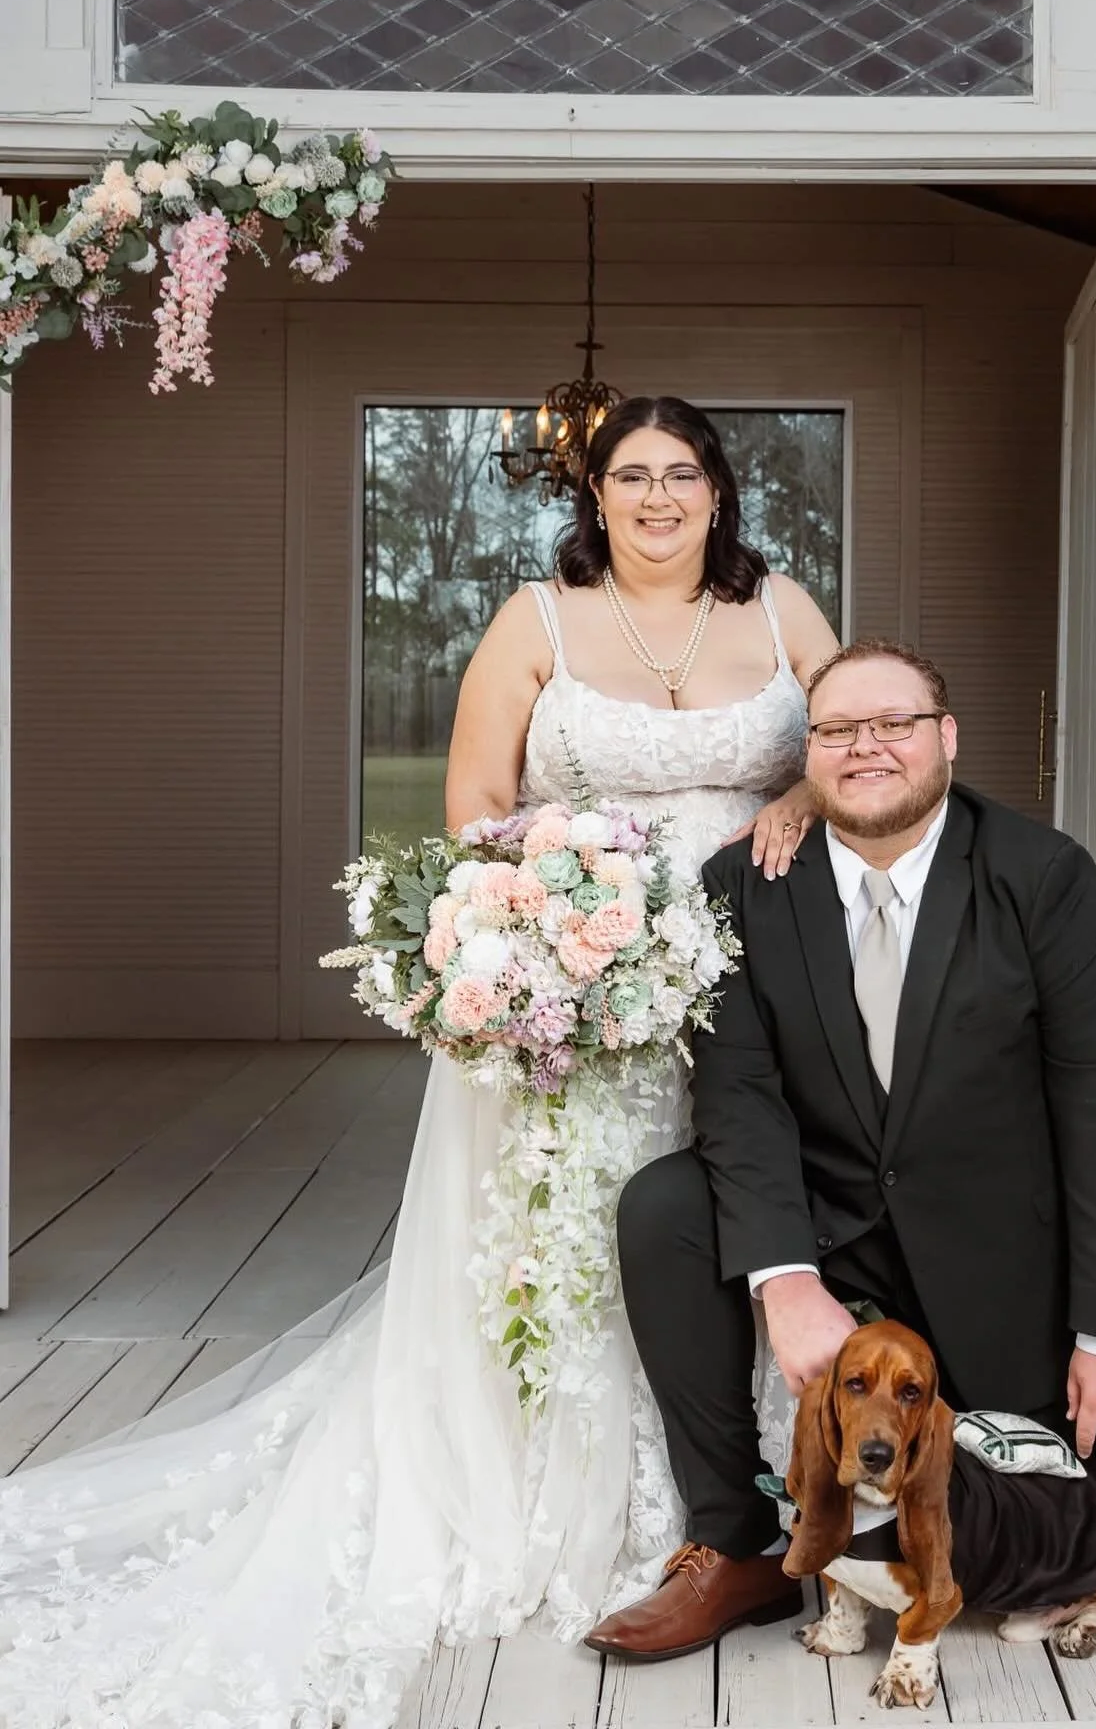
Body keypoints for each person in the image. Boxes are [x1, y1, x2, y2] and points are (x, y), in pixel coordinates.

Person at [0, 397, 838, 1727]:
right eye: (634, 475)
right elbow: (472, 804)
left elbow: (846, 750)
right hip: (588, 982)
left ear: (721, 492)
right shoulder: (536, 620)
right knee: (569, 1230)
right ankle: (592, 1492)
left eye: (685, 473)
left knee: (741, 1211)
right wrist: (548, 933)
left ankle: (764, 1481)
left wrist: (792, 796)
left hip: (766, 976)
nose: (661, 497)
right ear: (597, 495)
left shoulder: (785, 610)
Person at [588, 639, 1096, 1660]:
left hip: (999, 1243)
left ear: (945, 739)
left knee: (1025, 1527)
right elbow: (739, 1090)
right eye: (839, 730)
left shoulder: (1044, 877)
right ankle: (735, 1542)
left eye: (894, 723)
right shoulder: (746, 885)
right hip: (830, 1213)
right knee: (666, 1207)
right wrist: (783, 1275)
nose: (867, 747)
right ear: (807, 757)